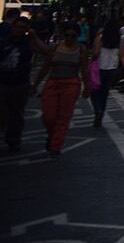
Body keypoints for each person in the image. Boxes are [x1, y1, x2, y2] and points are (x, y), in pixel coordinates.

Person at [0, 14, 43, 156]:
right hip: (0, 82)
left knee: (16, 114)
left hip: (19, 84)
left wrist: (34, 36)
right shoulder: (3, 41)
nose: (19, 30)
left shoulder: (29, 43)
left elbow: (46, 52)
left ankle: (13, 141)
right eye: (17, 27)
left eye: (23, 28)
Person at [33, 22, 90, 155]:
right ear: (63, 35)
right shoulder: (55, 48)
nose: (70, 38)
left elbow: (85, 70)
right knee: (49, 116)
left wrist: (87, 87)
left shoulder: (81, 50)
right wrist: (35, 84)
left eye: (73, 36)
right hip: (53, 83)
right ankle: (52, 135)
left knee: (64, 116)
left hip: (71, 84)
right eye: (67, 35)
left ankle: (55, 145)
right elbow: (45, 67)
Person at [90, 20, 124, 128]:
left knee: (94, 91)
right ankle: (101, 111)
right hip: (112, 69)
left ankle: (98, 110)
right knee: (104, 93)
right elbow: (122, 55)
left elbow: (95, 53)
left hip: (100, 68)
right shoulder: (119, 39)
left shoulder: (100, 38)